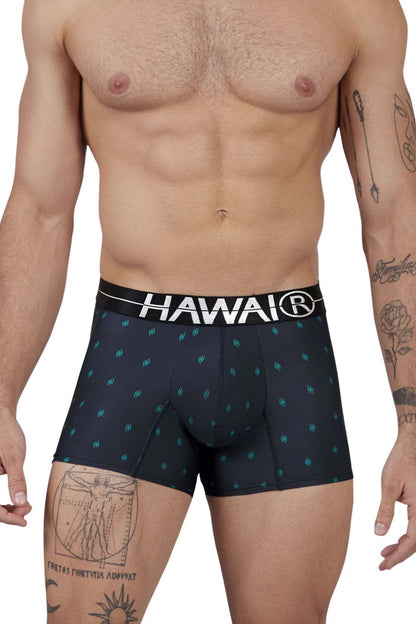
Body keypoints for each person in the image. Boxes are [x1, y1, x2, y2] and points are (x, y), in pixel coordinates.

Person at [0, 0, 415, 621]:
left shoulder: (356, 8)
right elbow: (39, 210)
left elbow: (395, 221)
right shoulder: (69, 6)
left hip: (285, 358)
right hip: (133, 351)